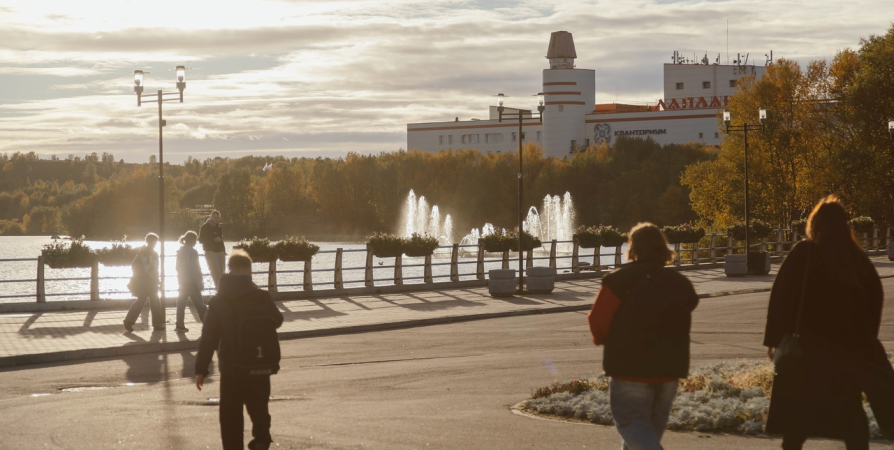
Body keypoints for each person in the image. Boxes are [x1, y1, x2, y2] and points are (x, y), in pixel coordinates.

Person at [764, 195, 893, 449]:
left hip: (809, 354)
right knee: (852, 418)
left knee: (799, 421)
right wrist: (866, 340)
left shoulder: (806, 253)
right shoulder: (858, 259)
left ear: (816, 224)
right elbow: (874, 300)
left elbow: (782, 298)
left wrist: (775, 340)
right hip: (850, 354)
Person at [587, 222, 699, 450]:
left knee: (633, 426)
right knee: (647, 432)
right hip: (669, 367)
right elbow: (690, 304)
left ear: (633, 247)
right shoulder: (680, 283)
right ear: (663, 247)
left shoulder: (618, 281)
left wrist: (605, 340)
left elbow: (598, 320)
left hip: (630, 366)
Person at [195, 250, 284, 450]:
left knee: (230, 415)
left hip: (232, 367)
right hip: (260, 364)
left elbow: (209, 337)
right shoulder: (261, 296)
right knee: (259, 407)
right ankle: (261, 439)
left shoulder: (219, 301)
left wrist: (201, 369)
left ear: (229, 271)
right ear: (249, 271)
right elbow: (278, 320)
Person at [123, 233, 164, 332]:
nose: (154, 243)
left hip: (148, 280)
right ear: (149, 241)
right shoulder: (145, 253)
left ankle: (129, 320)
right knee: (154, 301)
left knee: (143, 300)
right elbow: (137, 266)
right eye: (153, 241)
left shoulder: (148, 253)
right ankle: (157, 324)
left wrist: (156, 279)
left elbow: (155, 268)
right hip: (146, 280)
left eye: (155, 242)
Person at [175, 231, 207, 332]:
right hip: (191, 282)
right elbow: (195, 269)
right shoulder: (193, 252)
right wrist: (200, 283)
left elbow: (177, 267)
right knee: (200, 305)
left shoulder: (180, 251)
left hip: (182, 281)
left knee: (181, 304)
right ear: (193, 240)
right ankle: (209, 324)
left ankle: (179, 325)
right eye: (196, 240)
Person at [199, 210, 226, 290]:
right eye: (215, 217)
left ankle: (222, 292)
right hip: (211, 252)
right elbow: (201, 240)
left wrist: (224, 252)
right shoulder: (204, 227)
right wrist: (213, 239)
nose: (216, 219)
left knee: (222, 275)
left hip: (220, 252)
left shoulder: (219, 228)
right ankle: (219, 292)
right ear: (211, 217)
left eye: (218, 218)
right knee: (216, 274)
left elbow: (222, 240)